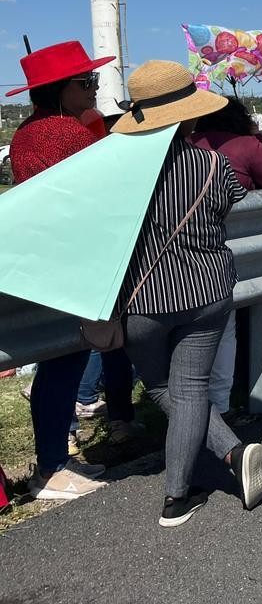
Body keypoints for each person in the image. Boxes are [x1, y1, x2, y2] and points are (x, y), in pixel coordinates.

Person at [111, 61, 262, 527]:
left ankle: (193, 484)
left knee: (161, 385)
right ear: (191, 115)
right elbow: (231, 202)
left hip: (145, 298)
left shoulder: (118, 169)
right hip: (209, 288)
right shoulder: (214, 165)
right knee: (192, 385)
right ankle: (222, 462)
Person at [7, 41, 117, 501]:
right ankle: (51, 465)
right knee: (65, 359)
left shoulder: (29, 132)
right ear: (57, 89)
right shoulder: (63, 133)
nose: (94, 87)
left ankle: (54, 457)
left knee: (62, 360)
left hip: (47, 259)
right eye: (85, 81)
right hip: (72, 262)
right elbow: (106, 189)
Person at [190, 97, 262, 414]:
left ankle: (194, 406)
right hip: (234, 249)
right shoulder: (246, 144)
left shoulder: (188, 144)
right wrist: (257, 137)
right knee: (225, 329)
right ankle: (219, 405)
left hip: (186, 249)